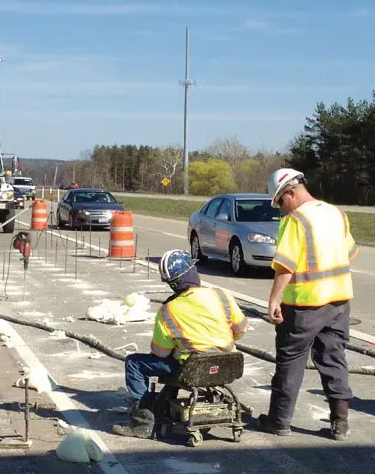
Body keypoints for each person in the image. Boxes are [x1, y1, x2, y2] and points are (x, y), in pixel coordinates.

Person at [259, 169, 360, 441]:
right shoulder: (336, 213)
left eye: (280, 201)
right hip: (338, 301)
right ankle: (340, 423)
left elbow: (285, 266)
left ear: (291, 192)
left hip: (304, 305)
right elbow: (351, 252)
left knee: (290, 362)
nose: (281, 208)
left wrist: (274, 301)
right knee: (333, 359)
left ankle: (279, 421)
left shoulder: (296, 220)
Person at [113, 249, 248, 439]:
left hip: (191, 370)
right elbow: (241, 329)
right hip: (228, 365)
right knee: (183, 357)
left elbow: (160, 352)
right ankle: (165, 401)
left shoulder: (169, 310)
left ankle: (143, 422)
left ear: (172, 283)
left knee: (134, 363)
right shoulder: (221, 295)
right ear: (192, 272)